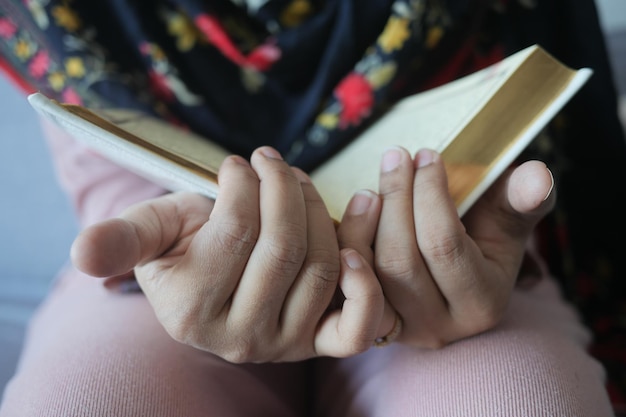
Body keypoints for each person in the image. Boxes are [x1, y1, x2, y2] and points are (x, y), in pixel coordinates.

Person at [0, 0, 622, 415]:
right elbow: (104, 145)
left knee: (518, 403)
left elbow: (522, 119)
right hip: (168, 263)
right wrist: (167, 234)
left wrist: (481, 232)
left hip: (451, 264)